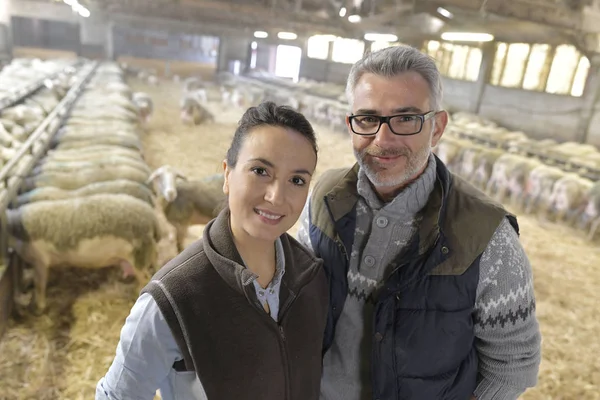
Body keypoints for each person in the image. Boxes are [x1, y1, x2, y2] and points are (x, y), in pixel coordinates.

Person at [296, 45, 542, 400]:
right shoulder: (322, 198)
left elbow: (513, 364)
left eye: (406, 119)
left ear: (437, 127)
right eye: (367, 118)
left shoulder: (486, 237)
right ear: (350, 123)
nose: (383, 139)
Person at [96, 101, 329, 400]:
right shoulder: (173, 298)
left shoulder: (312, 278)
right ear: (227, 175)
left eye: (297, 180)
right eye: (260, 171)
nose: (276, 196)